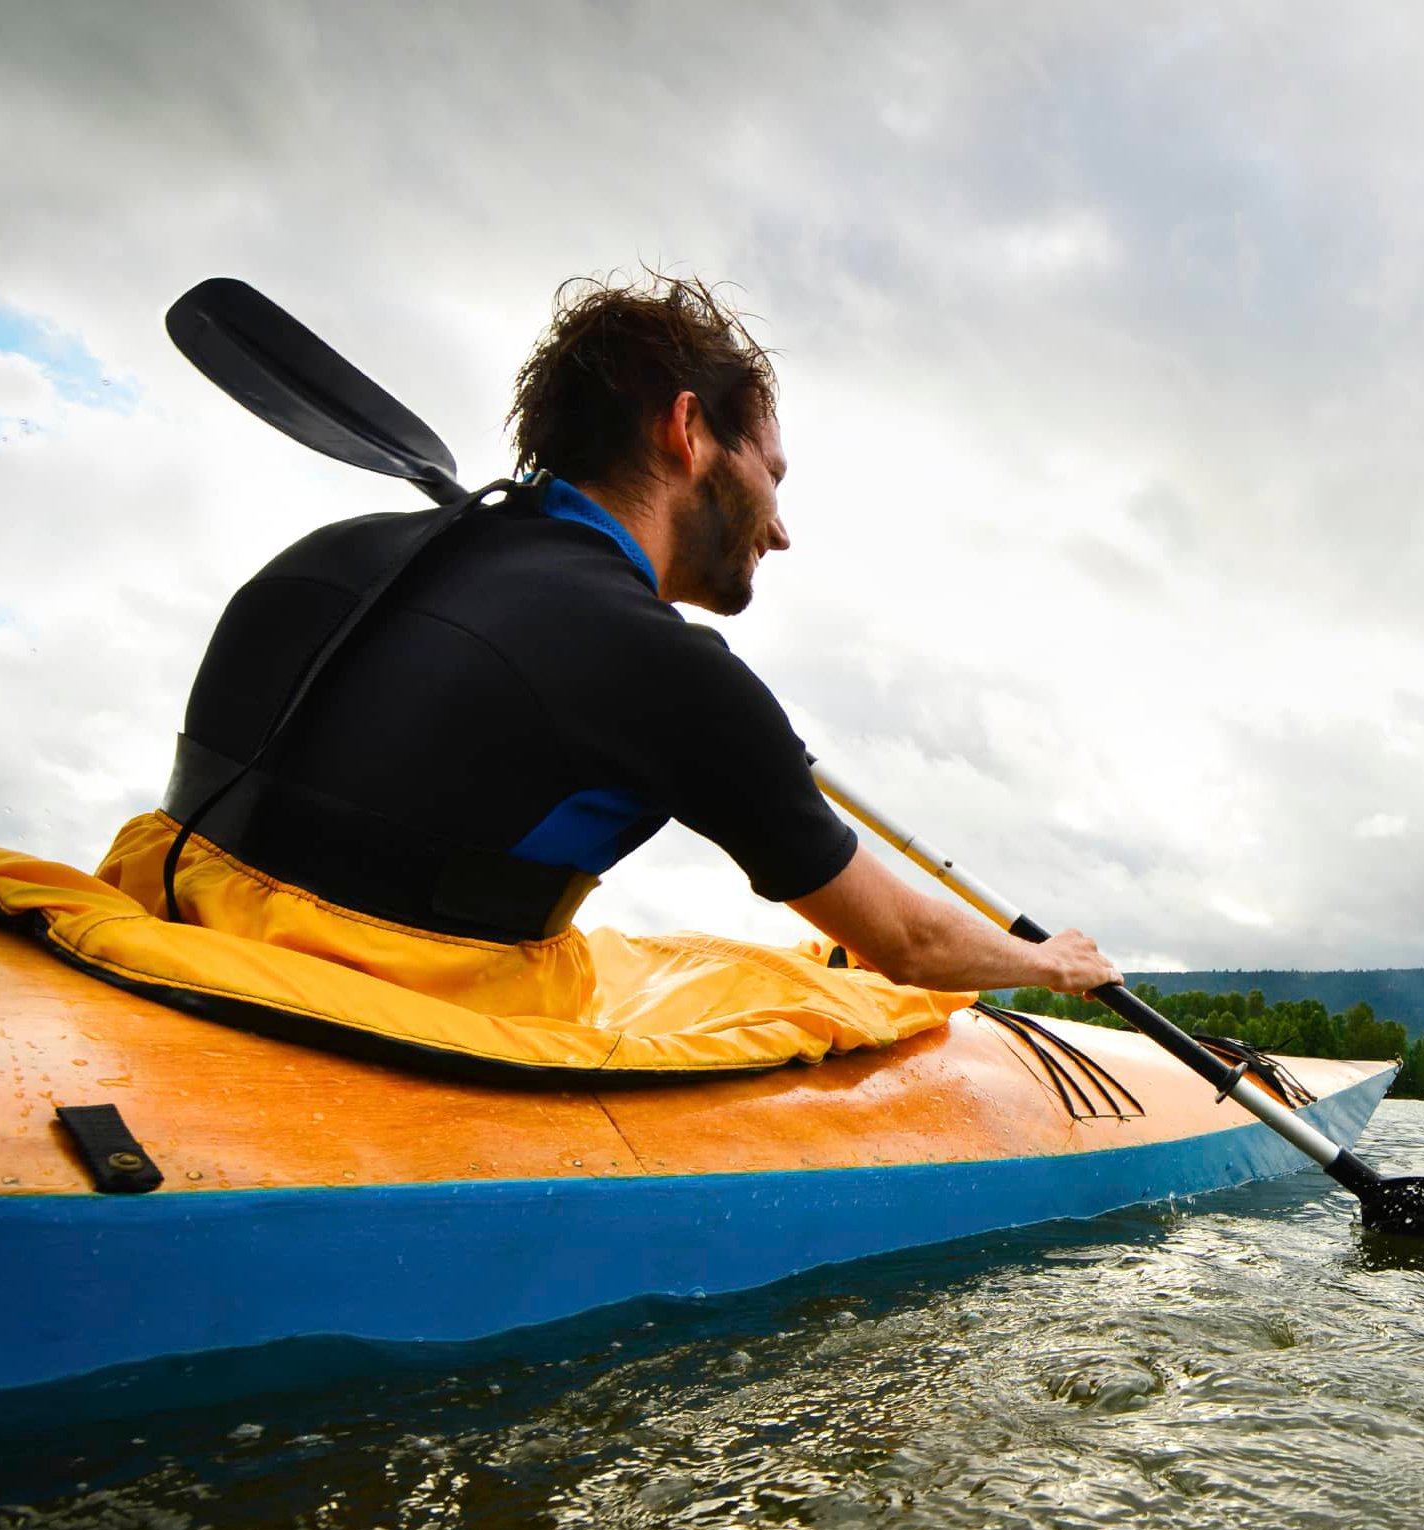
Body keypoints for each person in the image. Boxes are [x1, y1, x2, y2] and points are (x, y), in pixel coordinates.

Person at [157, 273, 1118, 1015]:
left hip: (147, 938)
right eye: (772, 475)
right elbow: (906, 945)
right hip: (364, 1031)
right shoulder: (672, 674)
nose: (780, 528)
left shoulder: (332, 557)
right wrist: (1048, 963)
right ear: (688, 429)